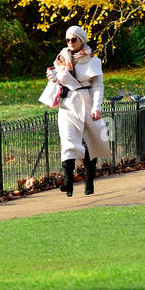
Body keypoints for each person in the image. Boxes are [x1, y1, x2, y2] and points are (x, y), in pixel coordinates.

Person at [47, 26, 110, 196]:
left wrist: (97, 107)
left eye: (73, 39)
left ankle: (89, 180)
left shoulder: (93, 61)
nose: (70, 43)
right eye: (67, 40)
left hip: (86, 103)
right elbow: (59, 81)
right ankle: (68, 182)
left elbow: (98, 86)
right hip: (67, 104)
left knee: (91, 142)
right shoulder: (61, 59)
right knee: (67, 141)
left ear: (82, 40)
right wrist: (54, 79)